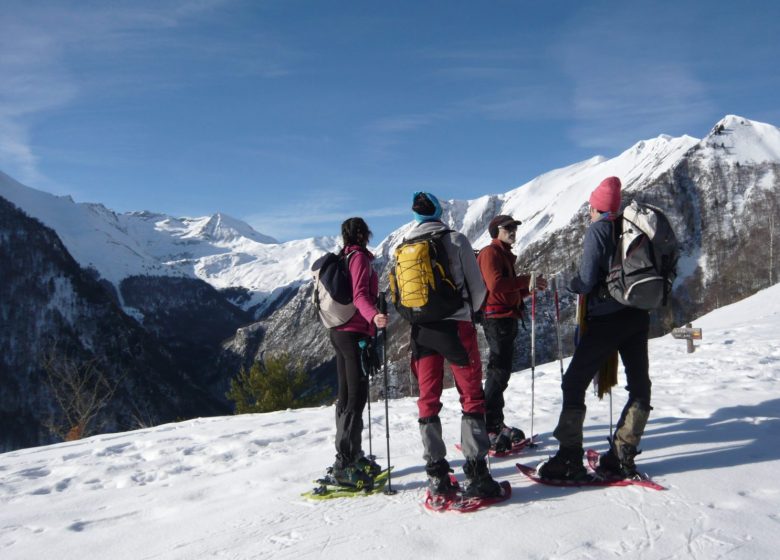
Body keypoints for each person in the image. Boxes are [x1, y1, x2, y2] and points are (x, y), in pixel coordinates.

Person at [538, 177, 652, 481]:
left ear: (595, 206)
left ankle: (569, 458)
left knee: (573, 383)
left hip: (607, 320)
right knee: (640, 384)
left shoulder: (598, 230)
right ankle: (622, 455)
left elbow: (587, 281)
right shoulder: (634, 227)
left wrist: (572, 284)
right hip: (638, 316)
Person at [402, 191, 503, 498]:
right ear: (438, 211)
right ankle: (475, 472)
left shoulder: (404, 246)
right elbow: (478, 289)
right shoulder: (456, 240)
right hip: (456, 328)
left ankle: (436, 474)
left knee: (427, 399)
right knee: (471, 396)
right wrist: (468, 313)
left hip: (421, 332)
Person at [477, 215, 546, 452]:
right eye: (508, 228)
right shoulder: (490, 253)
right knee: (498, 372)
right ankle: (490, 427)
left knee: (500, 372)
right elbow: (495, 286)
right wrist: (525, 281)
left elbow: (506, 291)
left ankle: (494, 424)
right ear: (496, 231)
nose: (513, 230)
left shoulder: (503, 254)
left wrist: (527, 289)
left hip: (505, 317)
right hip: (497, 319)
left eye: (515, 227)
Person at [328, 217, 388, 487]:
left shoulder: (343, 257)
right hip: (354, 334)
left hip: (338, 332)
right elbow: (360, 295)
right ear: (364, 234)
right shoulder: (359, 258)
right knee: (356, 397)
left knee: (345, 397)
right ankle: (345, 464)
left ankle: (351, 456)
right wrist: (374, 316)